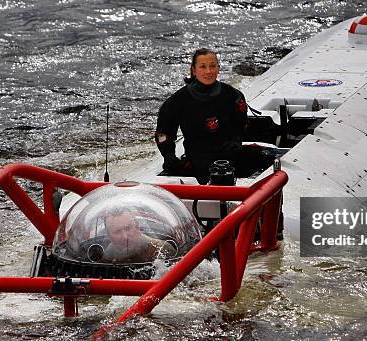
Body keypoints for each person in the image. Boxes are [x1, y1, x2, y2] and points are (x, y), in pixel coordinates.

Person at [155, 48, 260, 184]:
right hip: (198, 159)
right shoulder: (178, 100)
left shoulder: (232, 95)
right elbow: (163, 133)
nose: (208, 71)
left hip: (230, 155)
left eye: (212, 66)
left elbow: (241, 124)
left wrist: (236, 140)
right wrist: (169, 156)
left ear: (218, 68)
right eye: (203, 67)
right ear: (193, 70)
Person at [103, 210, 176, 263]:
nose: (125, 237)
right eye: (117, 232)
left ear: (137, 227)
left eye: (128, 228)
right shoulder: (109, 253)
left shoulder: (161, 249)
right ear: (109, 236)